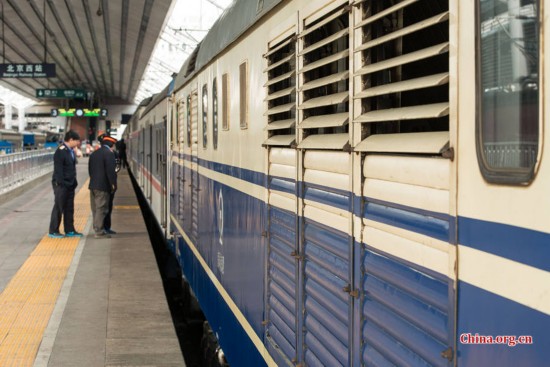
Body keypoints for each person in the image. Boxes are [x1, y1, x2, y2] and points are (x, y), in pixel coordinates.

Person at [48, 130, 83, 238]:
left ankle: (70, 230)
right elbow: (58, 170)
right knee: (59, 207)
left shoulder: (70, 150)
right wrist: (61, 184)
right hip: (62, 185)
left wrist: (73, 183)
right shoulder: (61, 151)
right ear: (71, 139)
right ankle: (53, 231)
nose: (78, 143)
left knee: (69, 208)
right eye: (77, 141)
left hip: (70, 184)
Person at [88, 135, 118, 238]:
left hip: (93, 185)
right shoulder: (109, 154)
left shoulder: (94, 154)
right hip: (103, 186)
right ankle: (99, 232)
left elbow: (90, 170)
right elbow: (111, 172)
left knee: (95, 209)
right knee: (102, 208)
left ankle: (97, 228)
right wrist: (113, 185)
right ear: (111, 145)